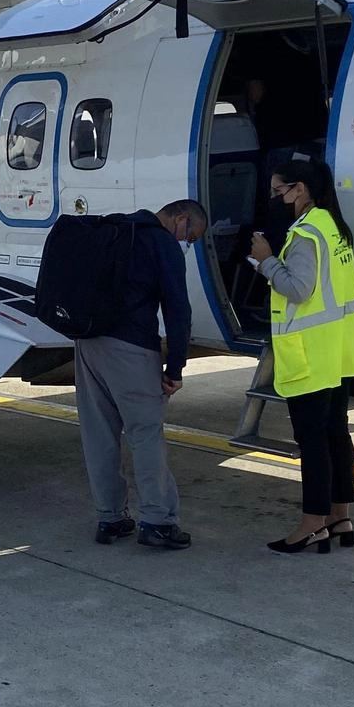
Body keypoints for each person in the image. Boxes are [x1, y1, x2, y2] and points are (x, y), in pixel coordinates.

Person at [76, 199, 209, 550]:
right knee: (145, 434)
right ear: (181, 219)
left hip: (87, 344)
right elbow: (178, 308)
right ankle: (157, 521)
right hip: (132, 348)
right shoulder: (161, 243)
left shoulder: (112, 227)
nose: (188, 243)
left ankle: (110, 518)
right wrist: (176, 366)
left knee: (99, 434)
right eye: (190, 236)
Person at [251, 160, 354, 554]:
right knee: (337, 433)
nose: (276, 199)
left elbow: (299, 289)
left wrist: (266, 260)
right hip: (337, 351)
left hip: (311, 355)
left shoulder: (304, 234)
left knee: (312, 441)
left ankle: (311, 524)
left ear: (299, 189)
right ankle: (340, 516)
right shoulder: (333, 227)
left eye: (279, 191)